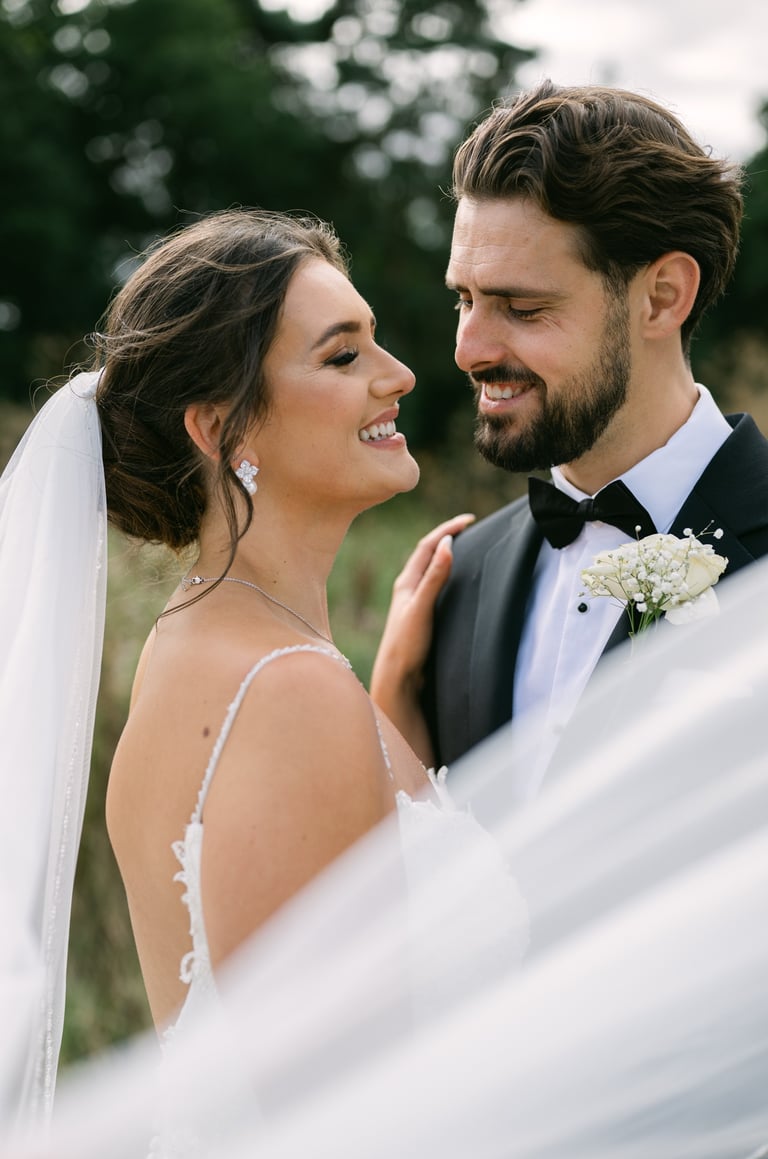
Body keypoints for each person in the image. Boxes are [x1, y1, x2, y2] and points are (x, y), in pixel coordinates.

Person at [0, 208, 526, 1131]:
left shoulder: (210, 646)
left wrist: (389, 694)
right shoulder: (285, 689)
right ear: (220, 427)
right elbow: (342, 1119)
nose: (399, 376)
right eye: (342, 356)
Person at [371, 80, 768, 780]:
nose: (468, 349)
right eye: (465, 299)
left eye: (521, 307)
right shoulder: (458, 578)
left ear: (663, 296)